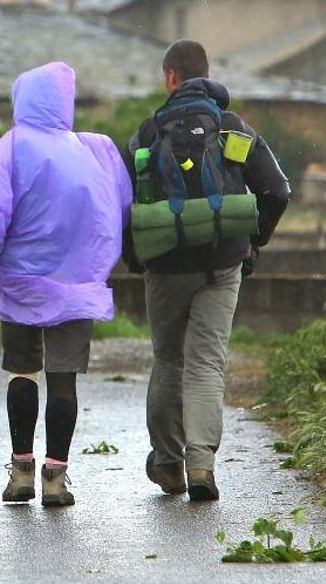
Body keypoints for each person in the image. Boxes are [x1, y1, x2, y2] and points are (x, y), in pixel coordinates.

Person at [0, 61, 131, 507]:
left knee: (23, 370)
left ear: (21, 101)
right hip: (77, 285)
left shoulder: (10, 150)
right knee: (63, 378)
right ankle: (55, 478)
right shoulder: (96, 150)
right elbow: (120, 209)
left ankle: (21, 473)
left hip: (21, 283)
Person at [122, 40, 291, 502]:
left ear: (171, 78)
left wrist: (139, 261)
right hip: (222, 261)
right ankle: (202, 466)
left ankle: (167, 463)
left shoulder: (146, 135)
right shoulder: (232, 128)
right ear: (205, 74)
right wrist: (252, 241)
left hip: (166, 265)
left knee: (169, 359)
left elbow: (123, 207)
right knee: (205, 363)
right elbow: (276, 190)